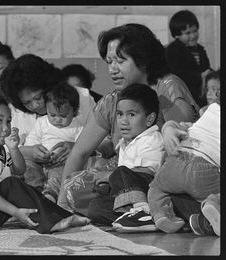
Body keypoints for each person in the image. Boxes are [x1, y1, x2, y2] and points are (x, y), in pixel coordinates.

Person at [57, 23, 199, 213]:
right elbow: (80, 152)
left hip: (167, 180)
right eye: (109, 62)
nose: (112, 69)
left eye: (120, 61)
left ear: (144, 60)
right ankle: (140, 212)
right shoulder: (112, 100)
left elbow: (184, 153)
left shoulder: (168, 87)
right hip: (127, 182)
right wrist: (61, 205)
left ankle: (157, 210)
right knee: (82, 196)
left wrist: (120, 175)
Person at [0, 90, 90, 234]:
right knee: (11, 184)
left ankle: (63, 216)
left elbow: (19, 170)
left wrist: (13, 149)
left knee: (22, 186)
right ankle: (48, 223)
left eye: (8, 120)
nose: (6, 127)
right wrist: (15, 211)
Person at [0, 54, 96, 188]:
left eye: (38, 97)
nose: (35, 105)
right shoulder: (15, 113)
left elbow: (105, 143)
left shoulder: (81, 98)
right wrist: (30, 151)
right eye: (27, 103)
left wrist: (78, 148)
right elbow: (4, 151)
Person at [87, 83, 164, 232]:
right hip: (131, 196)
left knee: (120, 171)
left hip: (150, 193)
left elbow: (148, 173)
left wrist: (112, 176)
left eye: (132, 115)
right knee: (96, 207)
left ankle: (143, 213)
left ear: (149, 119)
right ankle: (139, 218)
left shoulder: (152, 138)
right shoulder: (125, 143)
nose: (123, 121)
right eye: (120, 114)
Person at [148, 101, 220, 234]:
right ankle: (214, 204)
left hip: (175, 161)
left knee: (156, 188)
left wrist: (168, 130)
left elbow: (175, 125)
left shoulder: (207, 115)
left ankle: (162, 215)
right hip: (205, 170)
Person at [24, 82, 84, 202]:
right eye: (52, 115)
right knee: (28, 167)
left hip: (61, 164)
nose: (57, 119)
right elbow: (30, 145)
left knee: (60, 174)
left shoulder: (79, 128)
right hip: (40, 163)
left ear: (75, 111)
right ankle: (35, 191)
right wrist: (36, 152)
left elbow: (83, 151)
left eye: (63, 116)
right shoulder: (42, 122)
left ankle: (50, 196)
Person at [165, 9, 212, 107]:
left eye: (195, 31)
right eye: (187, 33)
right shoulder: (172, 50)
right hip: (182, 96)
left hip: (200, 94)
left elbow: (206, 67)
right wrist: (200, 75)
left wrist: (209, 73)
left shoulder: (200, 49)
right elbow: (176, 73)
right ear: (177, 35)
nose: (193, 35)